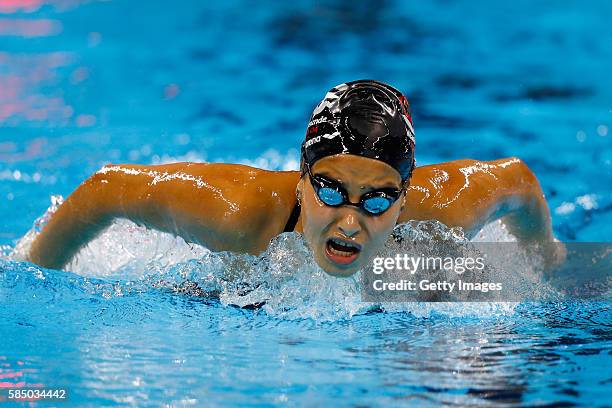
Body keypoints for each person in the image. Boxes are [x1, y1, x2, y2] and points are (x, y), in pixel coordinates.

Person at [27, 80, 558, 277]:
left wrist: (545, 256)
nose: (349, 221)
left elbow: (519, 178)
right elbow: (105, 189)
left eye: (377, 200)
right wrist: (35, 274)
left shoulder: (446, 209)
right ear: (302, 181)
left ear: (404, 197)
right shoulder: (240, 216)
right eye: (330, 190)